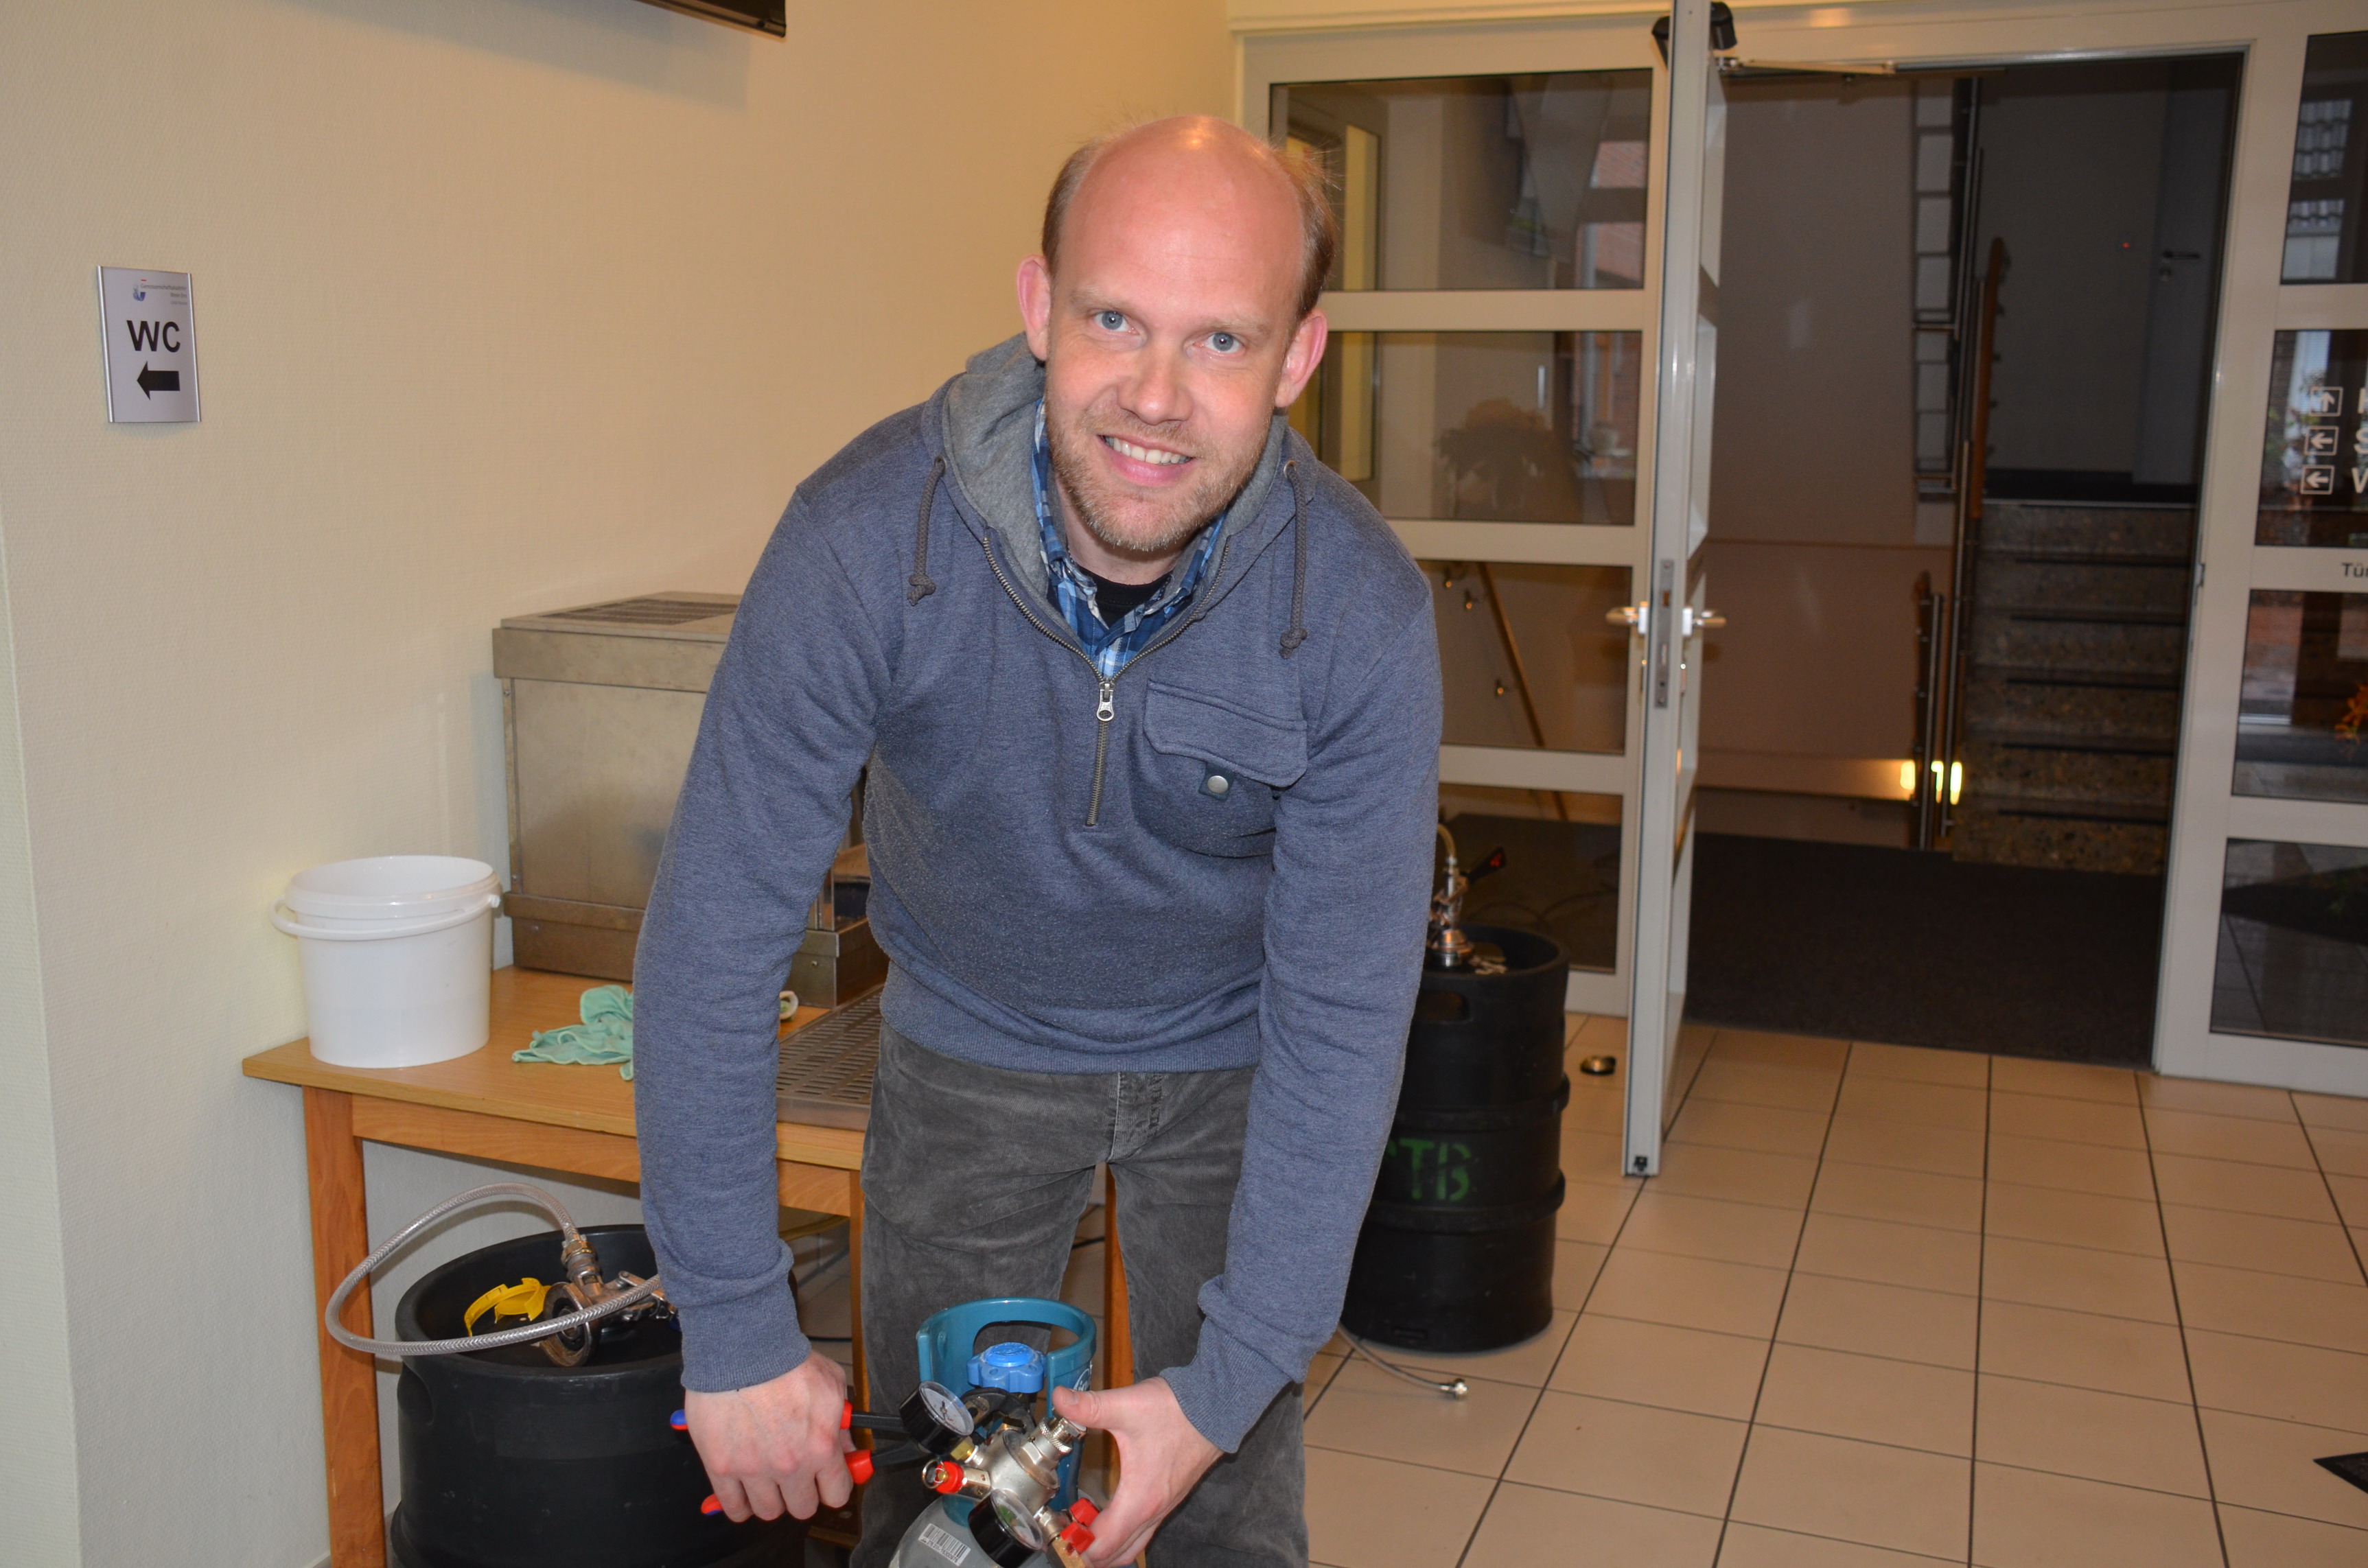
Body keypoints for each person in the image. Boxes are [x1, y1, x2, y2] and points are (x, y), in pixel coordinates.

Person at [631, 115, 1442, 1567]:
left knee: (1229, 1511)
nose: (1155, 397)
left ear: (1298, 359)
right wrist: (736, 1321)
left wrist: (1225, 1387)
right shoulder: (862, 541)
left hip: (1239, 1057)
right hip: (971, 1045)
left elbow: (1344, 1015)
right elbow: (714, 936)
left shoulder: (1358, 613)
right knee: (948, 1514)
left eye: (1221, 340)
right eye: (1113, 318)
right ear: (1037, 309)